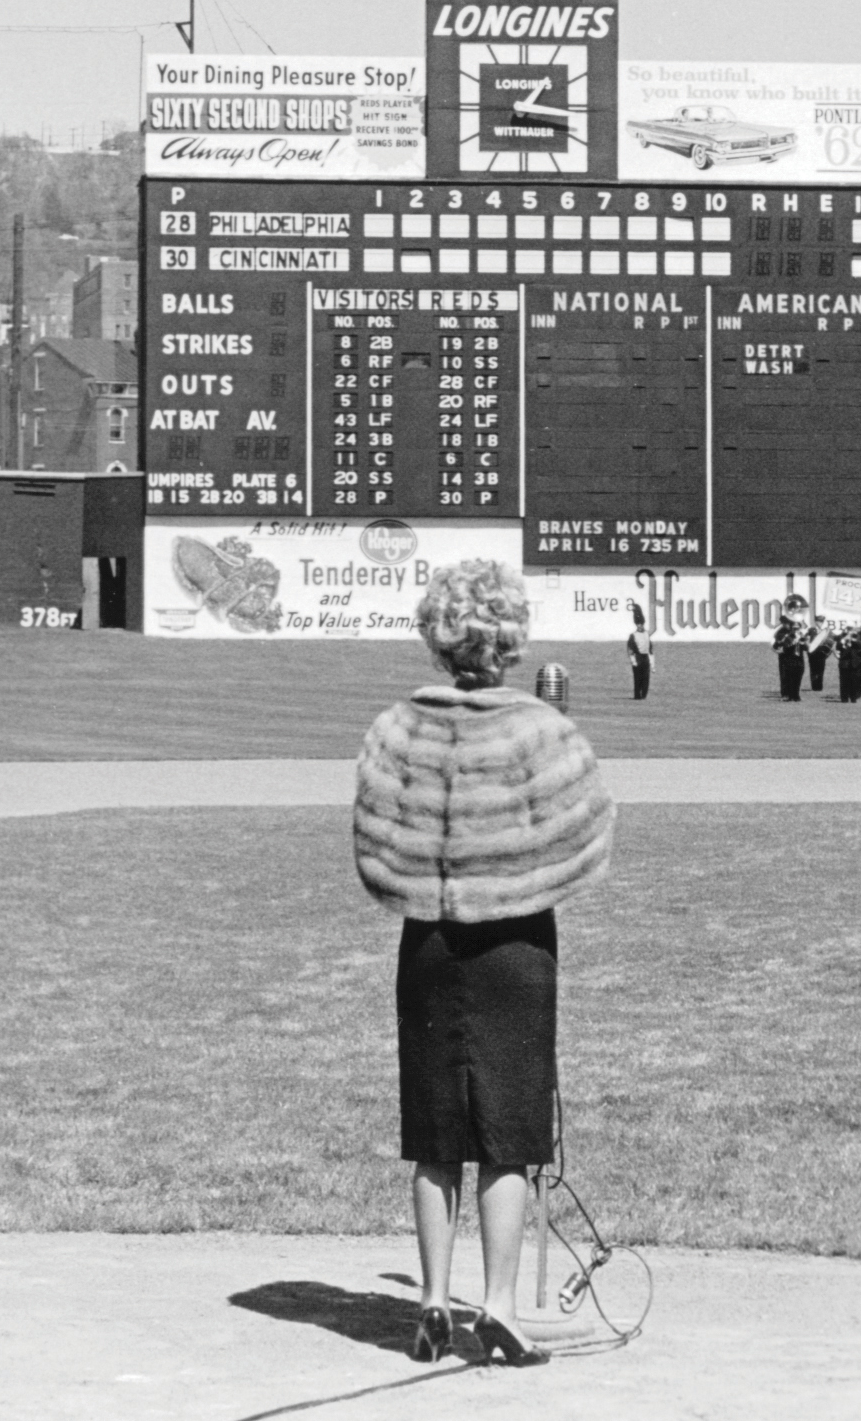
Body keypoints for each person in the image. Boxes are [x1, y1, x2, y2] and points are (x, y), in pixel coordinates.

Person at [353, 560, 613, 1370]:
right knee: (507, 1134)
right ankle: (497, 1309)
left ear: (436, 634)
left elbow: (372, 844)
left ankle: (432, 1301)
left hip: (428, 944)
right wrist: (520, 873)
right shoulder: (538, 727)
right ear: (508, 636)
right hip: (514, 946)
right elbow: (589, 835)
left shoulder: (397, 727)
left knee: (435, 1134)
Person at [773, 609, 807, 702]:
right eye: (794, 628)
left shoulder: (801, 635)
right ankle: (786, 695)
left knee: (797, 677)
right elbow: (779, 645)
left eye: (797, 628)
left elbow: (806, 648)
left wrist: (803, 642)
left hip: (799, 660)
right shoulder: (783, 634)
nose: (796, 629)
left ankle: (795, 695)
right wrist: (792, 640)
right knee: (786, 677)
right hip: (787, 659)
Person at [625, 604, 652, 701]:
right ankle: (637, 695)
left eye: (641, 624)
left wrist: (652, 663)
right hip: (638, 657)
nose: (640, 626)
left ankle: (644, 695)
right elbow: (630, 649)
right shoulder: (633, 635)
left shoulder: (646, 634)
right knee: (638, 678)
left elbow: (650, 649)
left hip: (645, 658)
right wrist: (633, 661)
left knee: (646, 678)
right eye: (638, 624)